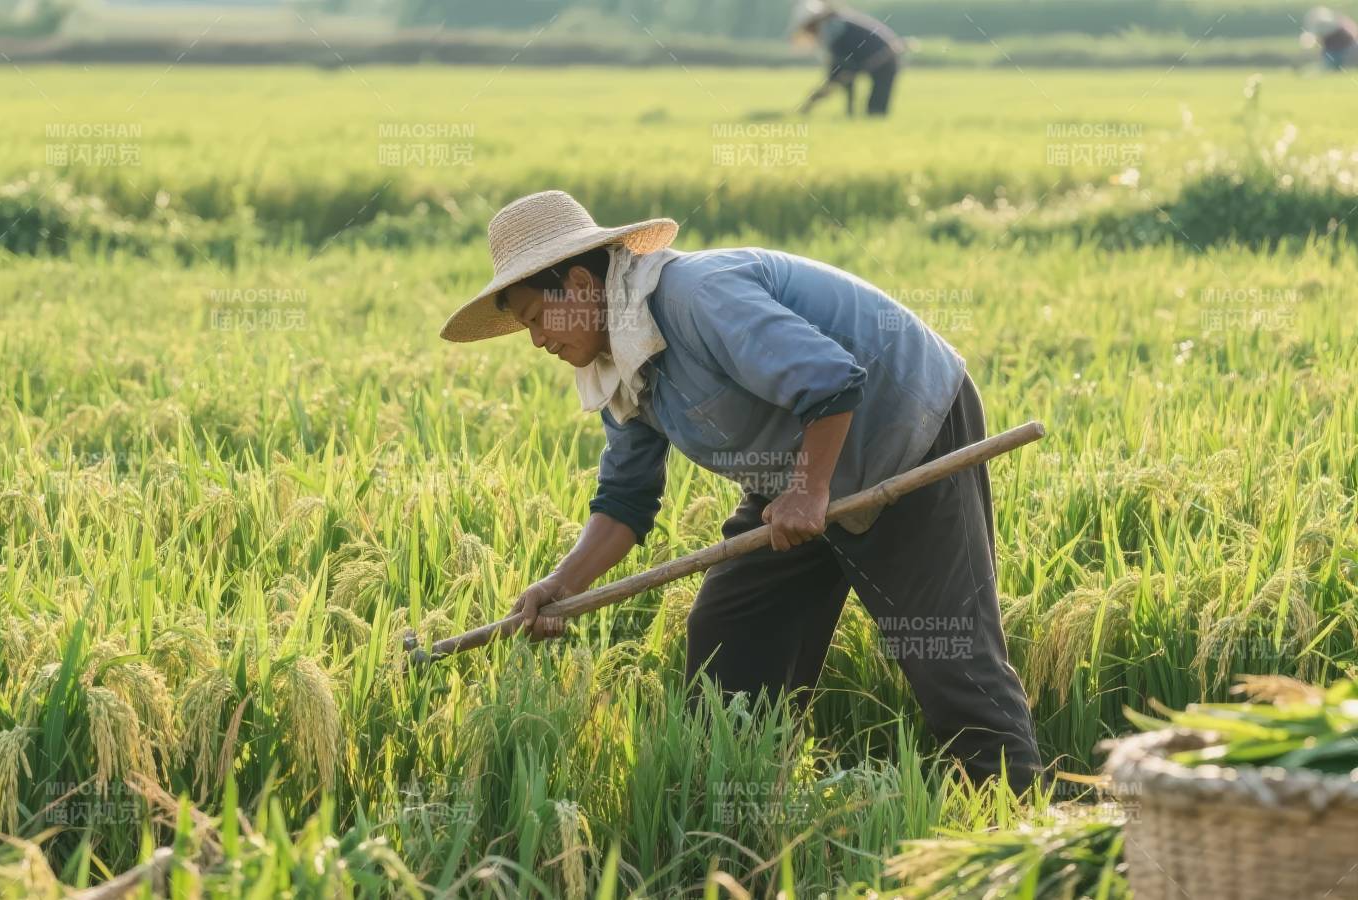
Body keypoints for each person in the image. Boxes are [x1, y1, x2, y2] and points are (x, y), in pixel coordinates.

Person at [438, 191, 1043, 792]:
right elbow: (626, 499)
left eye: (537, 318)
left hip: (905, 433)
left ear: (576, 283)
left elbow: (831, 382)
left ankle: (1026, 831)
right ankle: (739, 821)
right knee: (733, 640)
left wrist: (809, 491)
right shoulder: (616, 363)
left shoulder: (696, 297)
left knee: (948, 659)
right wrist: (560, 587)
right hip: (796, 472)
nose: (537, 340)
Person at [790, 0, 905, 117]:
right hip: (881, 57)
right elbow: (843, 68)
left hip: (884, 59)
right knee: (872, 108)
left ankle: (854, 115)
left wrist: (815, 98)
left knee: (876, 111)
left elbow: (838, 69)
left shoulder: (833, 28)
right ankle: (851, 114)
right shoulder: (837, 22)